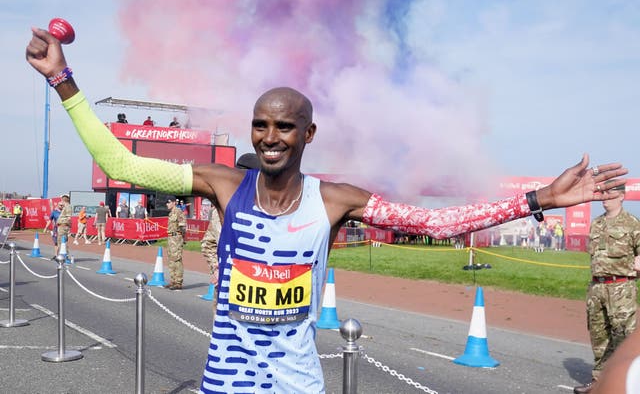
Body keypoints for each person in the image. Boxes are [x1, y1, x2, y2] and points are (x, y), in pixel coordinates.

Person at [26, 26, 629, 394]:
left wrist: (538, 200)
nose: (269, 137)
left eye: (284, 126)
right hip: (227, 383)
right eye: (260, 125)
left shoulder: (335, 199)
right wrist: (64, 81)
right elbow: (124, 164)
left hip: (297, 383)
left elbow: (436, 222)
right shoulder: (221, 184)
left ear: (308, 134)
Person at [573, 185, 640, 394]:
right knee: (599, 337)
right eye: (603, 194)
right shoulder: (597, 223)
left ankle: (626, 384)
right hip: (597, 287)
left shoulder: (632, 224)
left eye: (609, 195)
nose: (604, 199)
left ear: (621, 196)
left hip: (621, 287)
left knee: (624, 336)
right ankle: (599, 382)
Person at [201, 153, 260, 308]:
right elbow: (208, 244)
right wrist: (217, 268)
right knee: (221, 330)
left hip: (256, 291)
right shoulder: (219, 210)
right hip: (225, 286)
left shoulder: (269, 211)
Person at [166, 196, 186, 290]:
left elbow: (182, 225)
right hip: (171, 238)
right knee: (171, 259)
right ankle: (173, 280)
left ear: (174, 202)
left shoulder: (178, 211)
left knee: (177, 259)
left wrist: (181, 238)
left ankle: (178, 282)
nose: (167, 204)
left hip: (177, 237)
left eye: (169, 202)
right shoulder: (171, 213)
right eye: (167, 202)